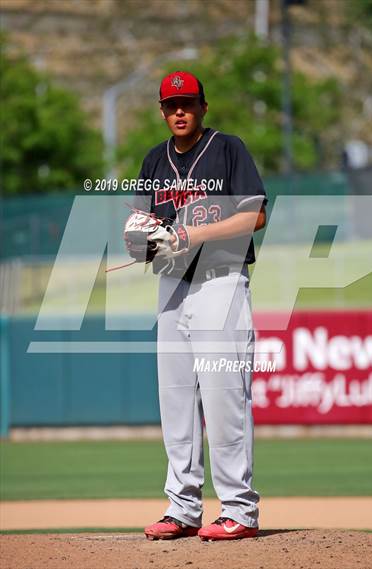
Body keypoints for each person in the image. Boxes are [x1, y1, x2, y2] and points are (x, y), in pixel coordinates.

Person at [130, 70, 267, 541]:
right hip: (171, 286)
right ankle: (183, 507)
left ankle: (239, 510)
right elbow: (139, 228)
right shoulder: (153, 160)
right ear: (162, 110)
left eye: (187, 102)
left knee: (224, 395)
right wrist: (144, 241)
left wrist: (192, 233)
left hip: (220, 283)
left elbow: (254, 214)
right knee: (176, 399)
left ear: (203, 107)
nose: (179, 111)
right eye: (171, 104)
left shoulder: (228, 149)